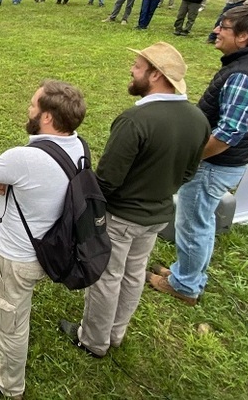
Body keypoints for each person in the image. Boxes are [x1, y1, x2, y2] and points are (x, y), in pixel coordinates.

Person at [59, 43, 210, 359]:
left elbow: (108, 180)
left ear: (155, 75)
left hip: (121, 218)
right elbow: (188, 172)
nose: (131, 69)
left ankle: (93, 340)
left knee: (106, 277)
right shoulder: (198, 119)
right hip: (157, 215)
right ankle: (115, 333)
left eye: (137, 66)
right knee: (133, 274)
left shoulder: (135, 120)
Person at [149, 6, 248, 305]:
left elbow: (228, 133)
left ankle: (185, 285)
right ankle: (186, 273)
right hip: (221, 165)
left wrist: (193, 157)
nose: (217, 30)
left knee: (193, 223)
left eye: (226, 27)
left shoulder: (243, 75)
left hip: (214, 165)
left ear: (244, 36)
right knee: (199, 220)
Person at [0, 80, 87, 399]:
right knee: (6, 304)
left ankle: (9, 383)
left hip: (18, 255)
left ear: (47, 117)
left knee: (12, 319)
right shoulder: (79, 146)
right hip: (52, 247)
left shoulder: (25, 158)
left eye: (33, 105)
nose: (29, 108)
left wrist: (4, 181)